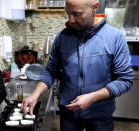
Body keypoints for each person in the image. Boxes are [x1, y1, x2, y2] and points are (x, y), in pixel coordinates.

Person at [21, 0, 134, 131]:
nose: (71, 20)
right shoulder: (62, 37)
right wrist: (34, 95)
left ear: (95, 7)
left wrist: (92, 97)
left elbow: (125, 80)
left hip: (100, 116)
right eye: (68, 13)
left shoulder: (115, 38)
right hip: (69, 115)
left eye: (77, 14)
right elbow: (51, 71)